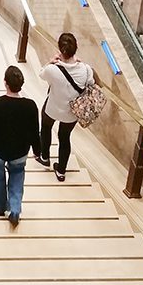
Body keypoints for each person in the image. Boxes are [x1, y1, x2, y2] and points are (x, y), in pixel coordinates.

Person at [0, 65, 40, 226]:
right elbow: (35, 131)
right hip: (19, 151)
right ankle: (14, 207)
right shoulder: (31, 106)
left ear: (5, 83)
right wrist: (37, 151)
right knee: (17, 176)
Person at [37, 32, 94, 182]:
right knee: (64, 138)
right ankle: (61, 171)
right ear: (76, 48)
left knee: (46, 128)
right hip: (71, 113)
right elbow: (91, 83)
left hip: (53, 108)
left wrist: (50, 62)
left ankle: (45, 157)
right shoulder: (86, 69)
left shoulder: (53, 69)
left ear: (60, 50)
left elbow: (42, 74)